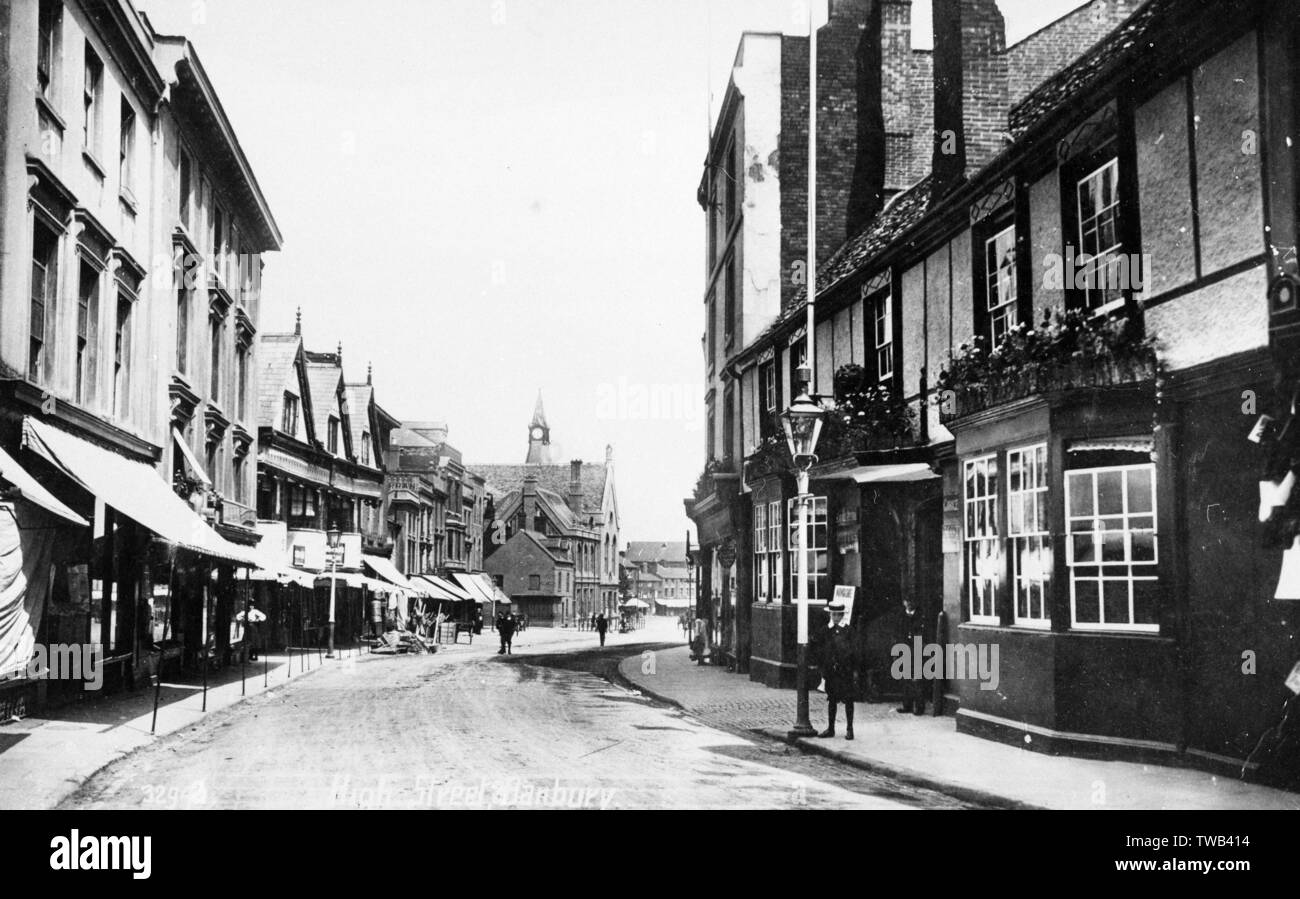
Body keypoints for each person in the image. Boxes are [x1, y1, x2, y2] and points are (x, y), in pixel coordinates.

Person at [812, 599, 859, 740]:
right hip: (831, 671)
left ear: (842, 615)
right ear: (830, 615)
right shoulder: (825, 630)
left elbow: (855, 650)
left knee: (848, 700)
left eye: (839, 614)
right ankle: (830, 728)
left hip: (845, 671)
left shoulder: (849, 630)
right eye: (834, 614)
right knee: (832, 700)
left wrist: (853, 668)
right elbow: (820, 650)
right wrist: (823, 668)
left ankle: (850, 729)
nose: (836, 617)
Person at [898, 597, 927, 715]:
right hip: (905, 649)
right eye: (907, 601)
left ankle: (919, 707)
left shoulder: (921, 616)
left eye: (911, 601)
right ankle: (907, 705)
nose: (909, 604)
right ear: (904, 603)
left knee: (917, 679)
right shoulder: (901, 616)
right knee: (906, 679)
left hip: (917, 649)